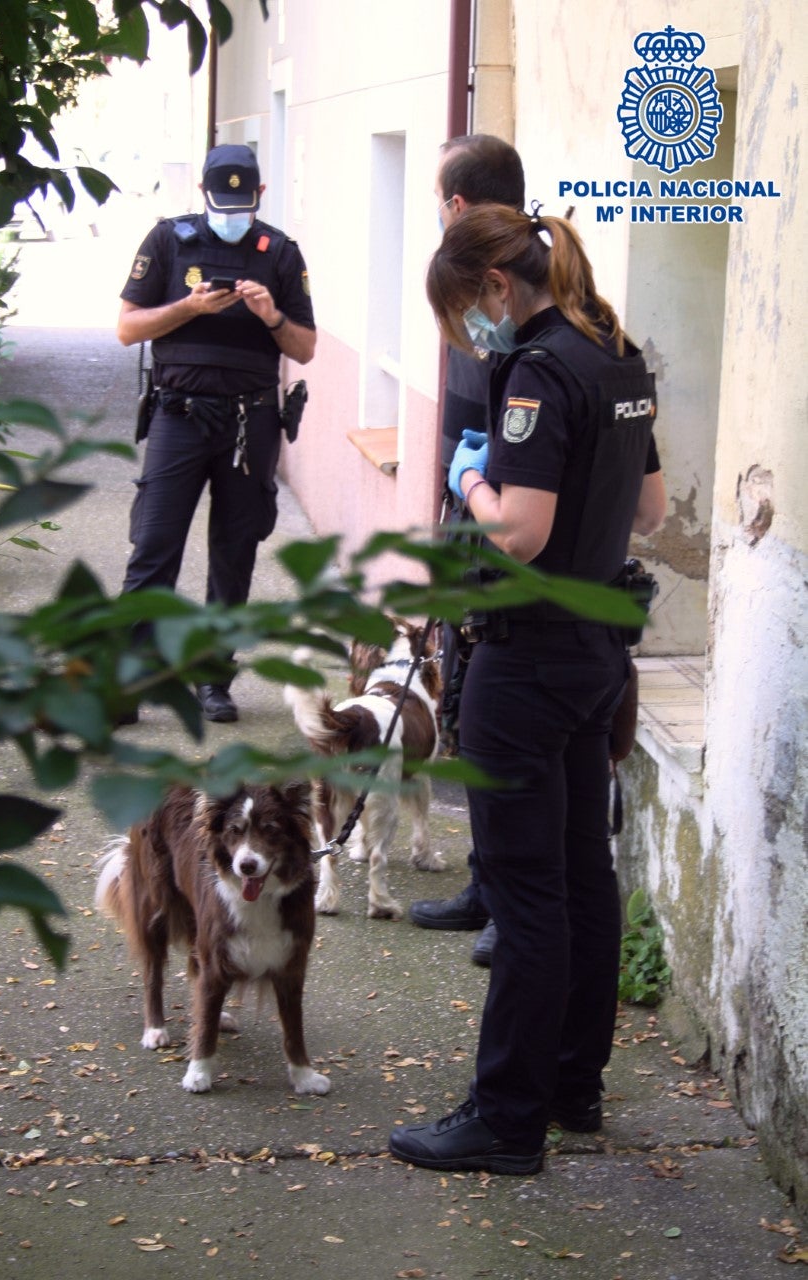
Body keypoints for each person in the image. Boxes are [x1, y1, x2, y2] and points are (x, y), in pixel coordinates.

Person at [388, 204, 667, 1175]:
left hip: (527, 658)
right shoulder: (616, 350)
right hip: (594, 653)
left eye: (466, 315)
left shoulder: (540, 370)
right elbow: (650, 507)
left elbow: (520, 532)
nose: (472, 336)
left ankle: (506, 1118)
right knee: (583, 875)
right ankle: (570, 1086)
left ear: (496, 286)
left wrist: (470, 483)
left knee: (526, 893)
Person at [116, 144, 316, 722]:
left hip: (250, 423)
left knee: (234, 554)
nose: (233, 214)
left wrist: (271, 316)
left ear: (259, 195)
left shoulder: (281, 252)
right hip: (178, 417)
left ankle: (212, 679)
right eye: (222, 204)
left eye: (243, 203)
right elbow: (128, 328)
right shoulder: (167, 241)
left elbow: (305, 347)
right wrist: (189, 308)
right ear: (203, 194)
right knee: (153, 550)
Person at [409, 134, 525, 964]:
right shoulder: (468, 279)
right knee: (463, 710)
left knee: (497, 722)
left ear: (455, 203)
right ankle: (486, 884)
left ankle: (508, 902)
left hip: (507, 526)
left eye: (437, 200)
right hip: (466, 514)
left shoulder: (509, 286)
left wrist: (476, 489)